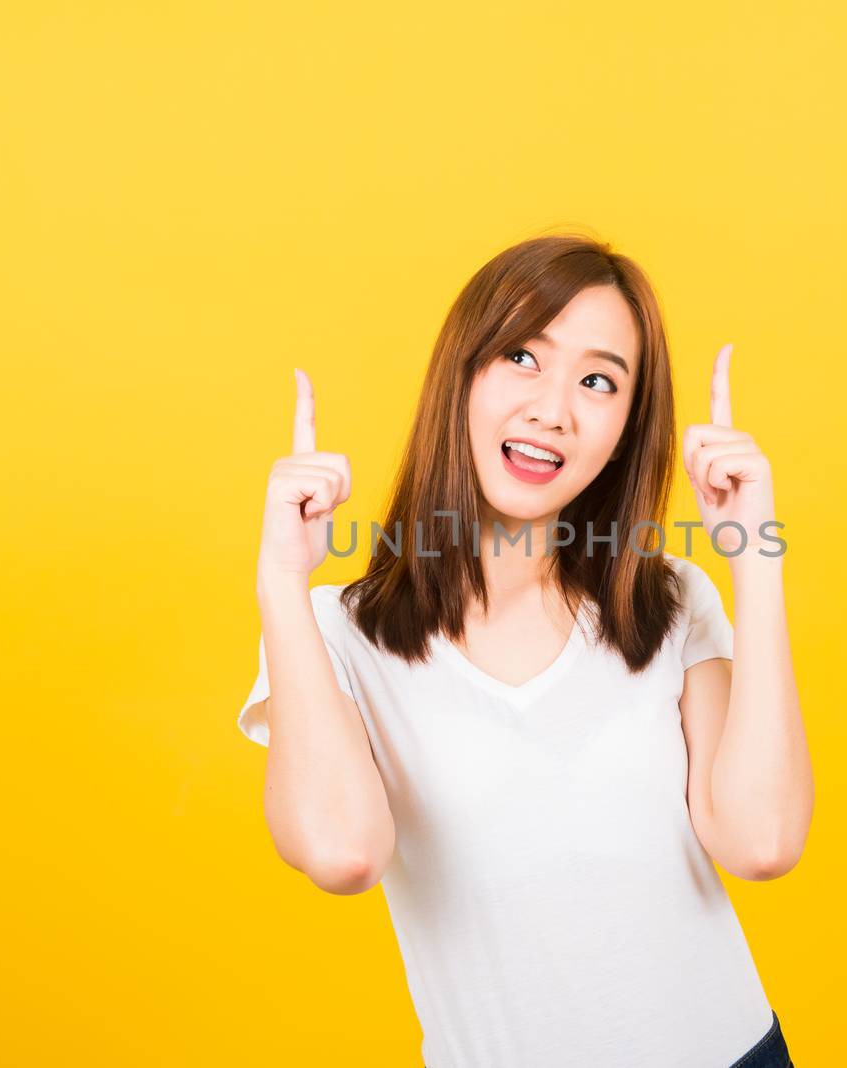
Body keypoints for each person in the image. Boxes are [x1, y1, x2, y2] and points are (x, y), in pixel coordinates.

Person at [238, 233, 811, 1067]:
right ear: (461, 376)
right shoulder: (339, 634)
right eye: (520, 356)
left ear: (624, 430)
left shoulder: (669, 601)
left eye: (597, 381)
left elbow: (762, 842)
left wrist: (755, 556)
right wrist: (280, 582)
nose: (553, 408)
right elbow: (341, 852)